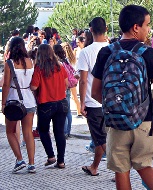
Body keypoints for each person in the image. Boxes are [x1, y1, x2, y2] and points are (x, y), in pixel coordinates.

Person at [91, 5, 153, 189]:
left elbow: (95, 92)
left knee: (121, 169)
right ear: (136, 27)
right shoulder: (149, 54)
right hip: (144, 121)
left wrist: (116, 106)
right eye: (147, 25)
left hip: (116, 122)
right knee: (144, 166)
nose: (148, 29)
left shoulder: (106, 52)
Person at [77, 17, 108, 176]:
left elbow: (83, 81)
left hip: (93, 101)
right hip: (111, 101)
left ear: (90, 30)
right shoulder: (112, 48)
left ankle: (122, 170)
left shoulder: (85, 52)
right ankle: (94, 167)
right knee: (101, 138)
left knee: (101, 141)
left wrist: (81, 103)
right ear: (106, 29)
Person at [30, 44, 69, 169]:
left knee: (43, 131)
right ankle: (61, 161)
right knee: (59, 132)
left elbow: (34, 87)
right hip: (62, 102)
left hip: (45, 103)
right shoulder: (60, 66)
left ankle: (51, 156)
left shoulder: (39, 68)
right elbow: (67, 84)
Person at [1, 37, 37, 173]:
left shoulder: (9, 63)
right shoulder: (30, 62)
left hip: (14, 100)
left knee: (10, 131)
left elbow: (5, 84)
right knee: (28, 132)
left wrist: (3, 103)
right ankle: (32, 163)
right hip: (28, 99)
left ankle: (20, 159)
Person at [53, 44, 73, 139]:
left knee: (63, 111)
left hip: (61, 88)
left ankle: (64, 132)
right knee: (68, 110)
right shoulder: (66, 61)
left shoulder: (57, 63)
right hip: (68, 87)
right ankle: (68, 131)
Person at [61, 42, 81, 117]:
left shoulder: (64, 60)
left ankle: (79, 111)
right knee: (75, 96)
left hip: (68, 79)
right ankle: (78, 111)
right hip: (73, 79)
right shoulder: (72, 57)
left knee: (72, 97)